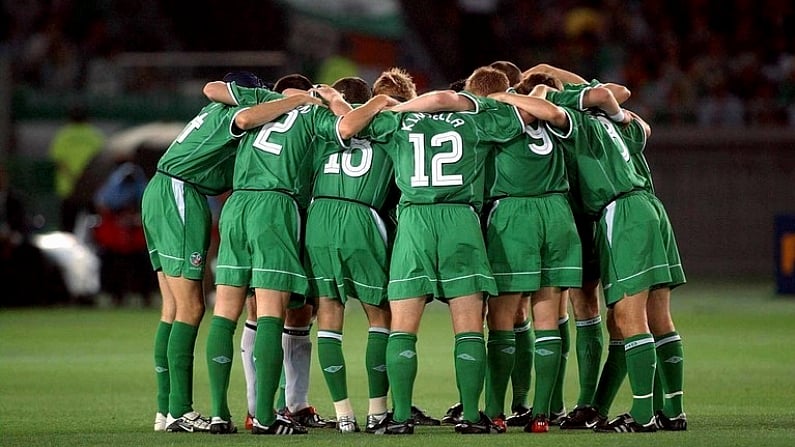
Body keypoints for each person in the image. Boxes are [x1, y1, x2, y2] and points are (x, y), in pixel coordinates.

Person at [340, 66, 547, 435]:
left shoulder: (398, 123)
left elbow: (346, 126)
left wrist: (385, 104)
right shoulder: (474, 121)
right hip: (460, 221)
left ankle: (400, 418)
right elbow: (530, 113)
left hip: (415, 223)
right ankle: (470, 417)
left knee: (402, 328)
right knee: (468, 328)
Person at [208, 75, 377, 435]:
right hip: (276, 206)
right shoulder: (313, 114)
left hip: (235, 204)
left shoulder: (262, 106)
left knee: (225, 312)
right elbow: (347, 126)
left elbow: (217, 93)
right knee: (272, 312)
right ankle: (267, 417)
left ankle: (221, 414)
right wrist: (328, 100)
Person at [526, 73, 684, 433]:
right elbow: (637, 120)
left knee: (628, 319)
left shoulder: (576, 118)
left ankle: (642, 417)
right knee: (659, 317)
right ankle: (673, 410)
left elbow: (551, 111)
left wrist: (511, 97)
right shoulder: (619, 123)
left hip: (620, 212)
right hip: (650, 206)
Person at [143, 70, 287, 433]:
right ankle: (180, 411)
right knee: (191, 306)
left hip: (160, 190)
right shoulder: (231, 112)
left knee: (173, 308)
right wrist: (297, 100)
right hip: (181, 193)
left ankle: (166, 409)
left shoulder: (207, 111)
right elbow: (243, 118)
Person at [482, 76, 582, 433]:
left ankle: (494, 411)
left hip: (515, 214)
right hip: (557, 212)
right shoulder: (554, 116)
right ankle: (542, 414)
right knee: (548, 318)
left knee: (502, 319)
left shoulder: (499, 116)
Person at [92, 160, 152, 306]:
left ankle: (146, 296)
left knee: (144, 263)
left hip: (136, 238)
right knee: (111, 264)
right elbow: (102, 205)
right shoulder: (112, 188)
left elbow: (148, 208)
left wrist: (134, 217)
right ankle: (115, 296)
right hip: (115, 238)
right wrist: (119, 218)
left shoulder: (141, 186)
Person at [48, 104, 105, 232]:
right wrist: (85, 179)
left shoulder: (63, 136)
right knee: (95, 226)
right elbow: (101, 160)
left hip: (69, 189)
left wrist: (72, 178)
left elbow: (58, 161)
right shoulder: (95, 135)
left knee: (67, 228)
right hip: (90, 188)